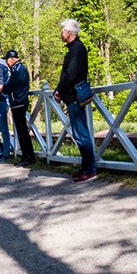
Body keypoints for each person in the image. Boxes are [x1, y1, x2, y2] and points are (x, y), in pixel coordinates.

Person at [56, 19, 97, 183]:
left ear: (68, 32)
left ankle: (90, 169)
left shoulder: (77, 49)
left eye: (62, 31)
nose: (61, 34)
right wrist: (59, 90)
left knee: (81, 134)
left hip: (75, 96)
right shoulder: (74, 49)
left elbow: (71, 74)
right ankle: (86, 167)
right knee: (79, 133)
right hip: (71, 95)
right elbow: (67, 74)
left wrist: (60, 91)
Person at [5, 49, 36, 164]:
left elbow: (10, 85)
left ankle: (29, 157)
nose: (7, 63)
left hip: (19, 101)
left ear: (12, 59)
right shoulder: (17, 68)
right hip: (17, 101)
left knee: (22, 131)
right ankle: (25, 156)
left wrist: (5, 88)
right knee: (20, 131)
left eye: (7, 60)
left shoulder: (19, 69)